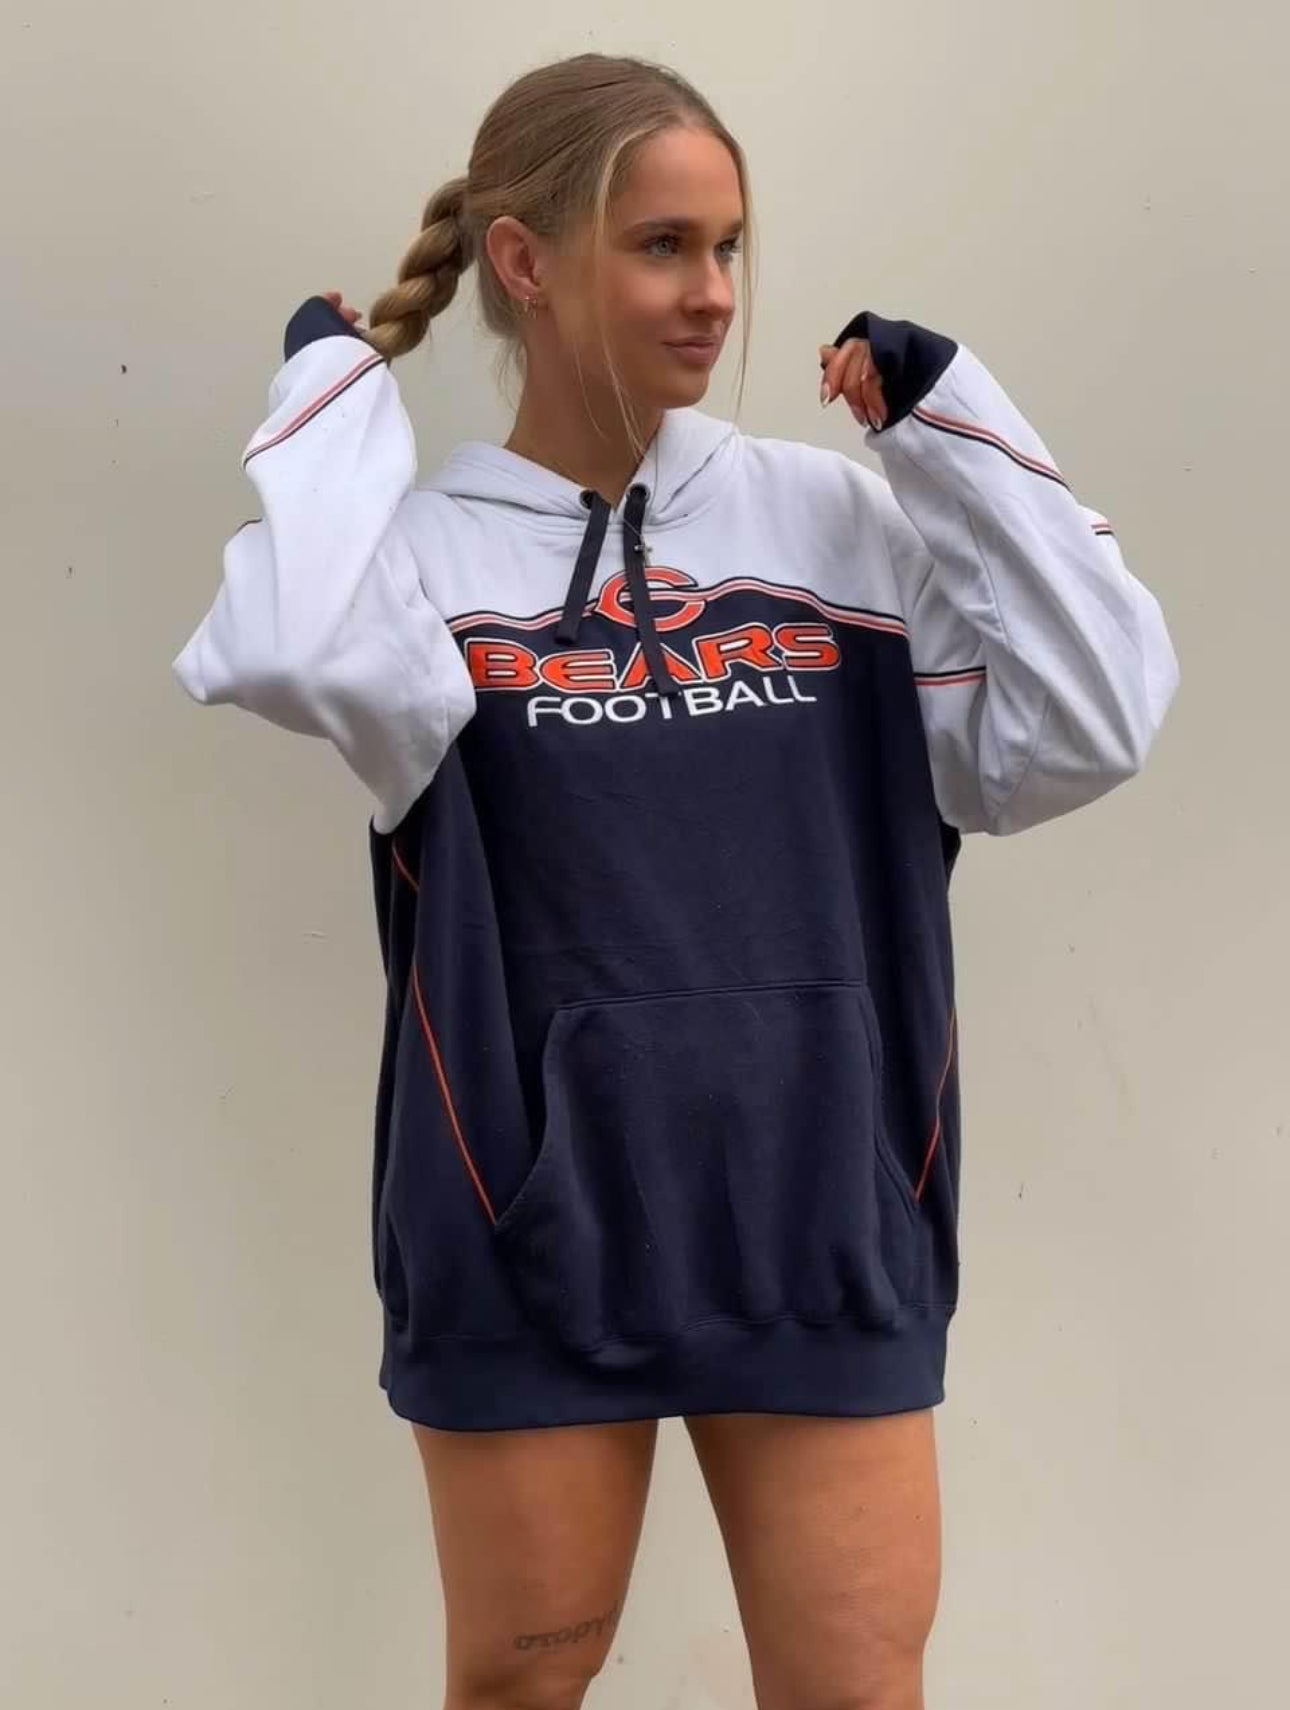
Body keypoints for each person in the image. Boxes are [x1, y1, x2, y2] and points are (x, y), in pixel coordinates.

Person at [172, 49, 1178, 1710]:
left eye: (727, 246)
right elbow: (285, 646)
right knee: (516, 1690)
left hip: (821, 1218)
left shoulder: (835, 525)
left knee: (855, 1692)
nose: (713, 293)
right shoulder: (418, 560)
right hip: (528, 1235)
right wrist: (331, 399)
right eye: (660, 246)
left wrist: (952, 432)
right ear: (522, 262)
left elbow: (1087, 720)